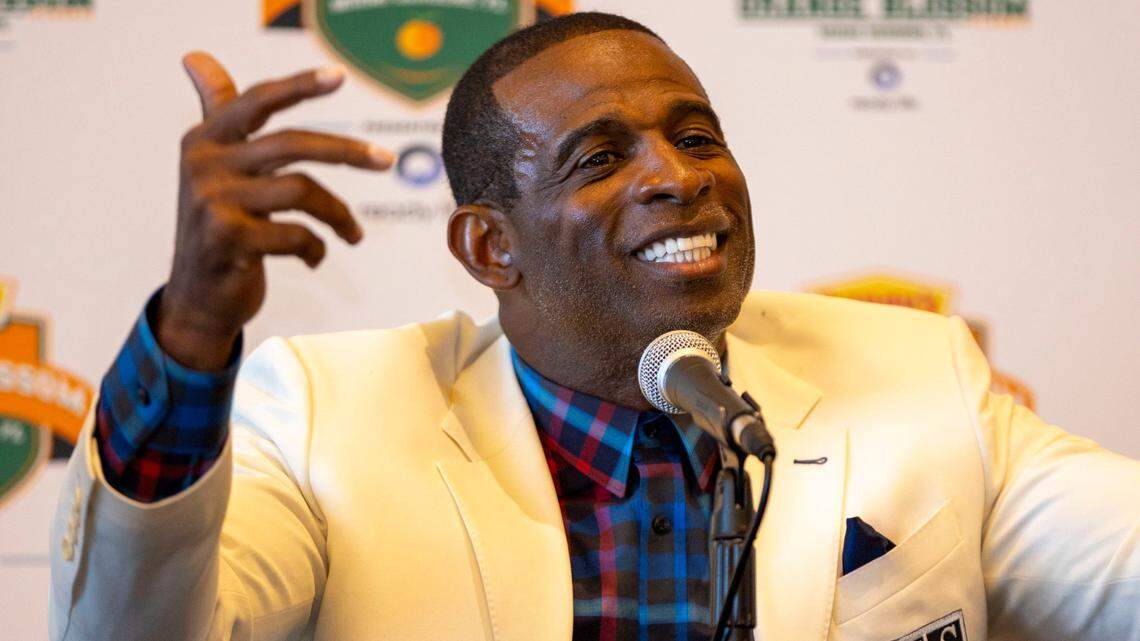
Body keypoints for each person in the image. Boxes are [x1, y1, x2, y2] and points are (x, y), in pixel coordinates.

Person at [49, 12, 1138, 641]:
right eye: (602, 157)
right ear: (490, 247)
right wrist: (191, 330)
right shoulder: (331, 414)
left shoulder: (914, 372)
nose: (680, 178)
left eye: (696, 135)